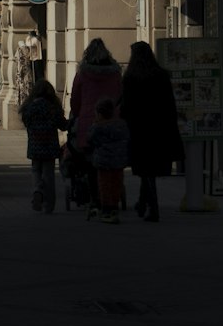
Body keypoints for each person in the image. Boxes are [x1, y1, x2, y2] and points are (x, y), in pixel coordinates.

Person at [121, 40, 183, 223]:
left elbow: (126, 107)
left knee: (144, 169)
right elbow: (169, 104)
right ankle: (143, 202)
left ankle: (152, 206)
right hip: (158, 129)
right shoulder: (161, 75)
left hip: (139, 129)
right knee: (149, 169)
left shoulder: (131, 77)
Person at [69, 38, 122, 210]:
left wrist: (76, 114)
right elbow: (121, 95)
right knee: (112, 160)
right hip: (111, 120)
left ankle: (95, 198)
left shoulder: (83, 74)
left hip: (88, 122)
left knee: (90, 163)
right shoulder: (115, 73)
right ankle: (112, 196)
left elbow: (75, 99)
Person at [19, 78, 68, 214]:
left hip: (35, 145)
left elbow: (26, 122)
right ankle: (48, 205)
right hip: (50, 146)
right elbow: (63, 126)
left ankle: (37, 190)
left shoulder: (29, 108)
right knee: (48, 175)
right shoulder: (53, 108)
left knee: (35, 170)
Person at [85, 96, 130, 224]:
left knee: (105, 186)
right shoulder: (121, 125)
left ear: (99, 113)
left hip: (104, 162)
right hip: (119, 162)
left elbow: (89, 139)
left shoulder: (98, 127)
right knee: (117, 184)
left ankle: (106, 209)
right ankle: (115, 207)